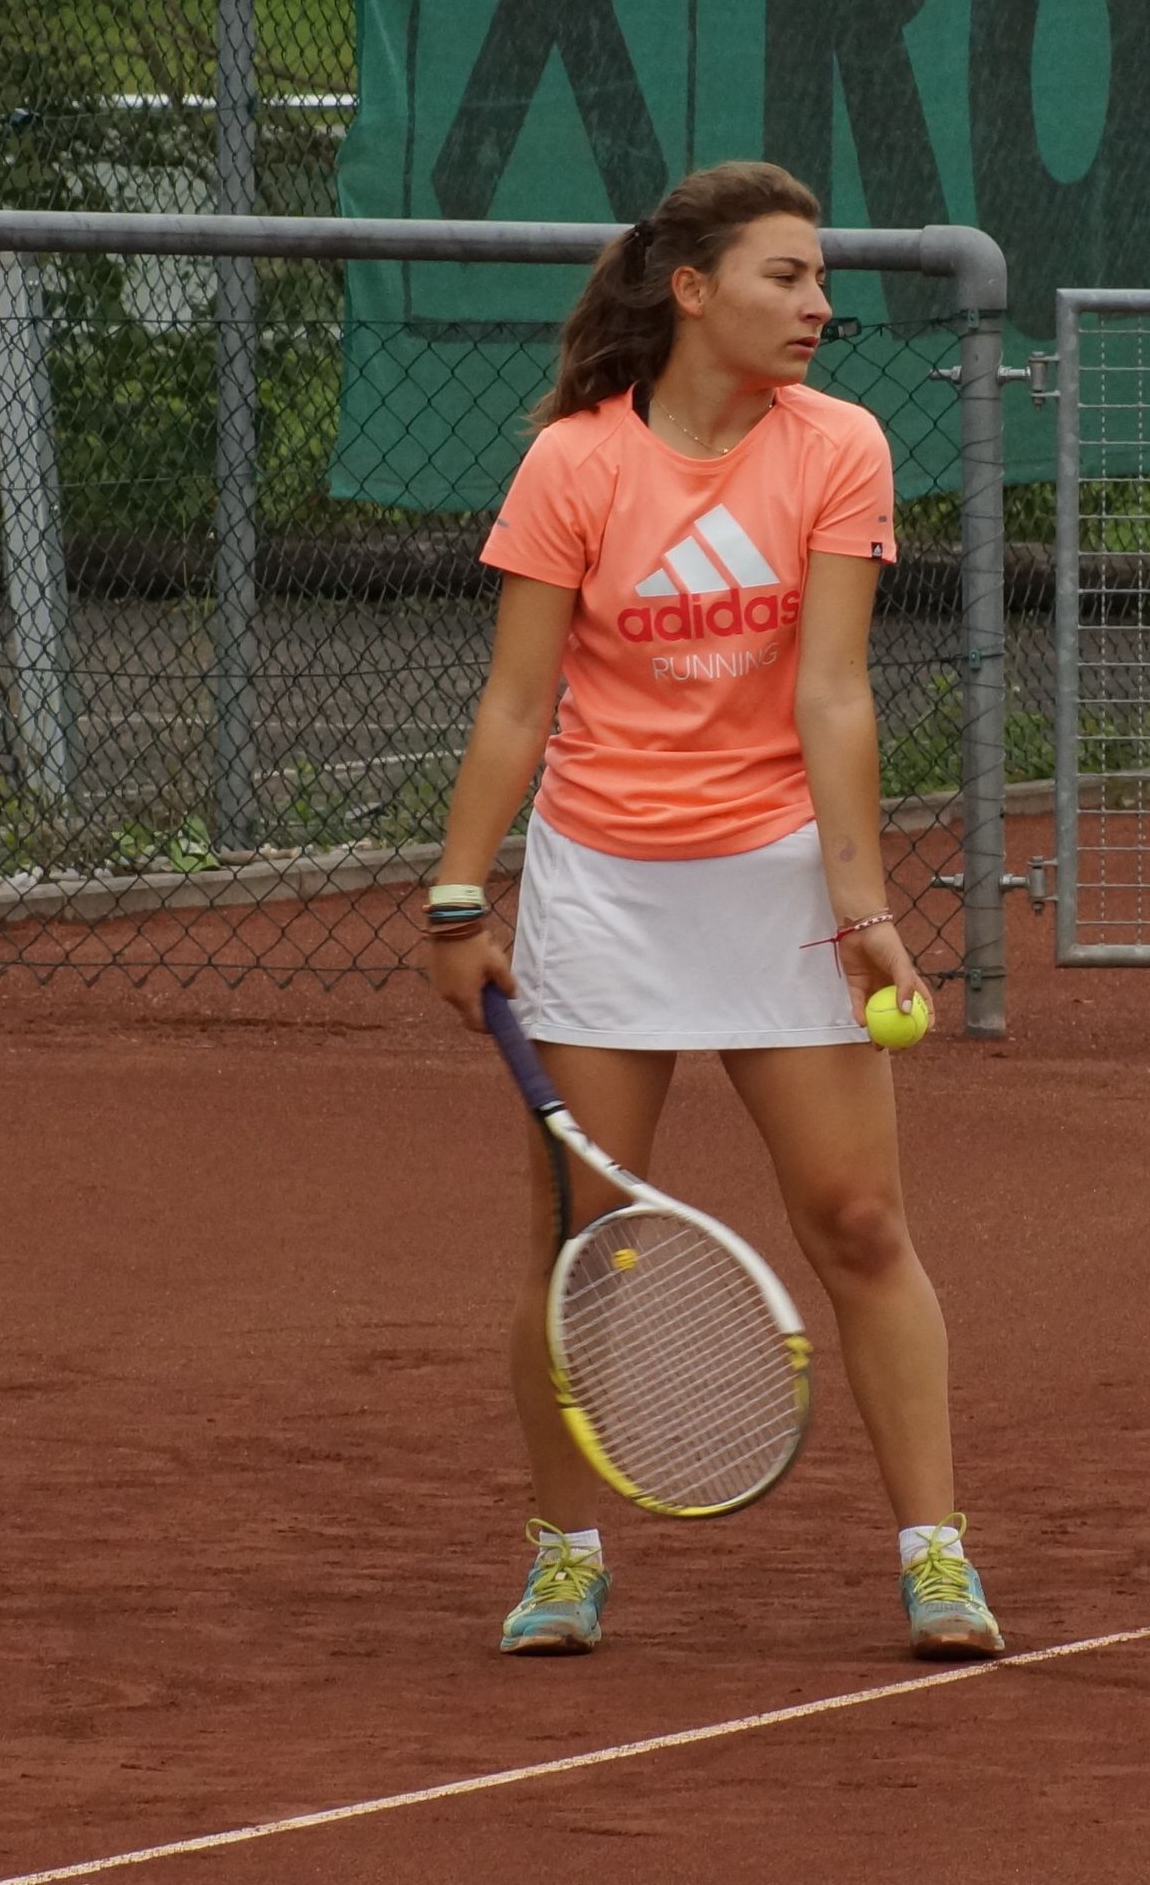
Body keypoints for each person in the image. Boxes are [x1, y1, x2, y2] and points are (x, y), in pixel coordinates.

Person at [420, 159, 1003, 1663]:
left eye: (821, 281)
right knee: (585, 1239)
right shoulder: (573, 466)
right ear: (692, 291)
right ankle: (564, 1555)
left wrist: (863, 907)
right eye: (785, 277)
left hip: (778, 882)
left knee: (860, 1221)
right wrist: (457, 898)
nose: (819, 306)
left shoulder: (840, 445)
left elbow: (835, 692)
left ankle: (937, 1554)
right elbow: (516, 701)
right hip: (604, 890)